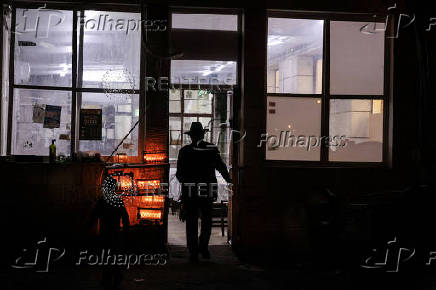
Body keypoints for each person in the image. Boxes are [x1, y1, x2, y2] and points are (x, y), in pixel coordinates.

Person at [176, 122, 232, 262]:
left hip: (191, 190)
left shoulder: (184, 151)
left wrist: (187, 184)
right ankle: (203, 247)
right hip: (207, 189)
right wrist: (229, 180)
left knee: (191, 222)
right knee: (207, 220)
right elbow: (221, 166)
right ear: (202, 135)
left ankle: (193, 251)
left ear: (191, 137)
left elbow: (179, 174)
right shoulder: (211, 149)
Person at [90, 176, 130, 290]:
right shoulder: (117, 200)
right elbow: (125, 218)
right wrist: (126, 232)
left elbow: (94, 216)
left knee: (107, 256)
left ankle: (110, 277)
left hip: (105, 232)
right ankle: (114, 276)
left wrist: (88, 227)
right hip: (115, 233)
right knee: (113, 256)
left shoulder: (102, 201)